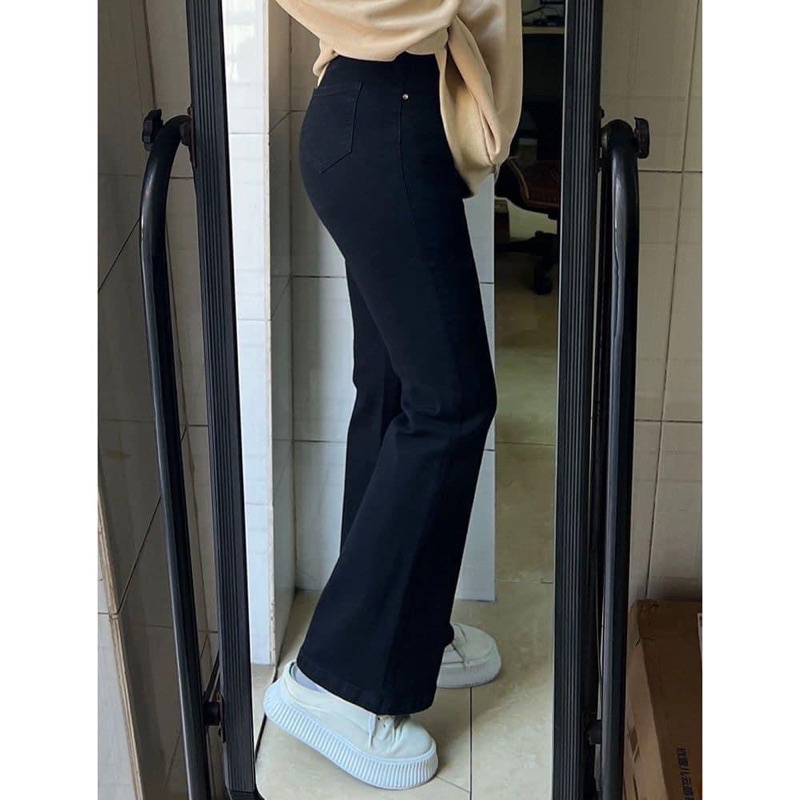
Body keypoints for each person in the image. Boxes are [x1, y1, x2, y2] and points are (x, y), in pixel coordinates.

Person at [263, 1, 523, 790]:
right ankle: (339, 679)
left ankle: (402, 632)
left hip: (387, 117)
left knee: (396, 388)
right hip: (382, 118)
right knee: (450, 403)